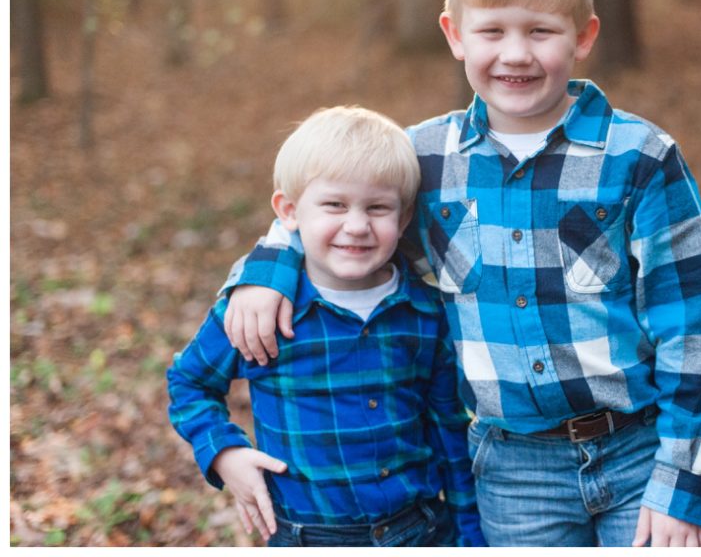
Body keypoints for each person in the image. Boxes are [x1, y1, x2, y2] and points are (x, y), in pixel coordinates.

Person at [222, 0, 701, 548]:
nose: (515, 53)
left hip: (639, 452)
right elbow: (329, 222)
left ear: (583, 36)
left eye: (541, 31)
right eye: (491, 30)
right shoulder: (424, 160)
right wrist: (261, 275)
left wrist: (683, 482)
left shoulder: (639, 157)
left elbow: (691, 331)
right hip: (513, 471)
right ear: (455, 34)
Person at [166, 106, 485, 547]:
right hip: (307, 536)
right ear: (290, 211)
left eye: (377, 208)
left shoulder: (424, 313)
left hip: (421, 531)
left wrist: (472, 537)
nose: (356, 226)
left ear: (405, 217)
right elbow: (189, 383)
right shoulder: (260, 311)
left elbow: (450, 429)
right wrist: (224, 453)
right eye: (334, 205)